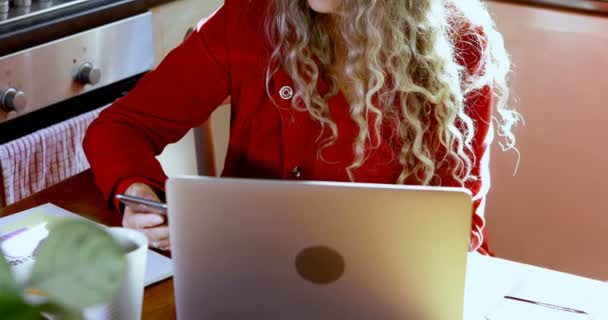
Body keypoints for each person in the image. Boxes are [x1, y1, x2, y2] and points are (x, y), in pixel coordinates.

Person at [83, 0, 520, 254]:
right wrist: (138, 194)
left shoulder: (458, 41)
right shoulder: (250, 18)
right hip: (250, 275)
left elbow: (460, 229)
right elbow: (119, 127)